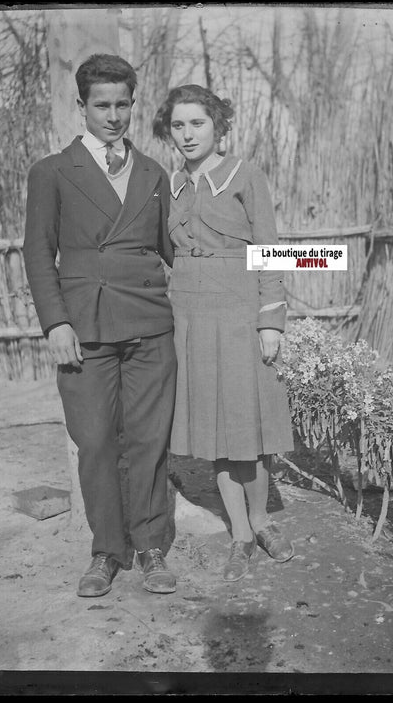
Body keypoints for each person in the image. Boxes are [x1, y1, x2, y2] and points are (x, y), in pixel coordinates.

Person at [23, 53, 177, 597]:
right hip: (83, 329)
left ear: (133, 105)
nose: (113, 116)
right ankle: (107, 552)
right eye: (101, 105)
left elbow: (182, 252)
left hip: (149, 327)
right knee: (94, 443)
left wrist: (301, 259)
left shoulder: (156, 173)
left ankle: (152, 547)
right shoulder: (51, 172)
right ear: (82, 106)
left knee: (149, 442)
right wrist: (54, 323)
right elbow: (39, 254)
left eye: (122, 105)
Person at [152, 84, 295, 582]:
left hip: (238, 313)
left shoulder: (245, 175)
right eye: (178, 125)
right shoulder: (171, 185)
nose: (188, 134)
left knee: (247, 431)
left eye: (198, 123)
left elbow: (273, 251)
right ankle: (239, 533)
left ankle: (262, 522)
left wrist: (271, 322)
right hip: (189, 317)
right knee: (215, 433)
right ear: (168, 132)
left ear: (218, 126)